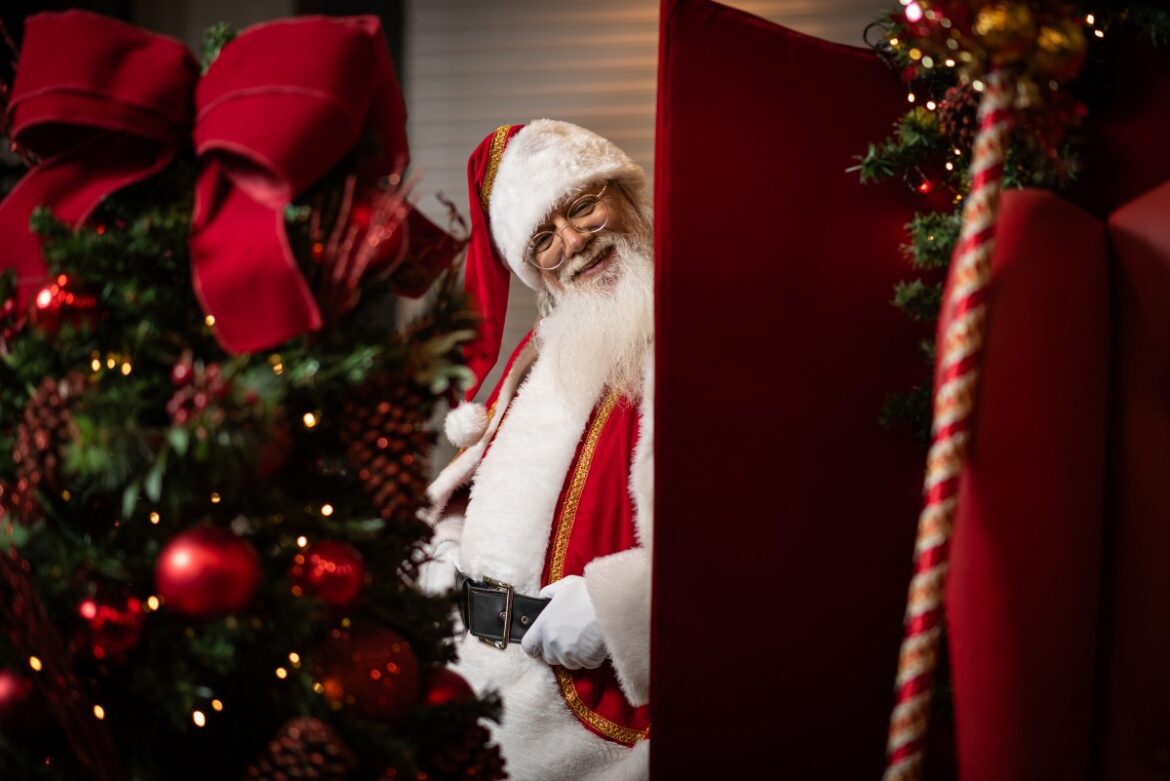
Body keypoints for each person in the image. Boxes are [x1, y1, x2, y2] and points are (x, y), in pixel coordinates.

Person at [419, 120, 654, 781]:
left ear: (622, 193)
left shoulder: (699, 334)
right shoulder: (543, 349)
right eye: (543, 239)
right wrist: (445, 548)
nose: (574, 243)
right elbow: (483, 481)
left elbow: (752, 527)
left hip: (588, 725)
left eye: (581, 206)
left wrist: (619, 607)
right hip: (483, 699)